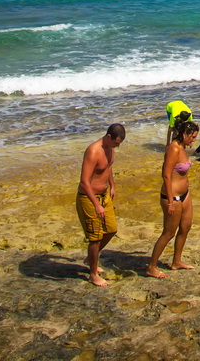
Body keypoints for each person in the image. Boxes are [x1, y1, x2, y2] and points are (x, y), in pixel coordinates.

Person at [146, 114, 198, 278]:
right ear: (185, 135)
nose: (194, 141)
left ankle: (177, 261)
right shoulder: (173, 149)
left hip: (185, 195)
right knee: (168, 233)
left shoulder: (182, 148)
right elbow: (166, 175)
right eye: (193, 137)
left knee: (185, 227)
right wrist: (170, 201)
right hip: (172, 197)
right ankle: (152, 266)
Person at [77, 123, 125, 286]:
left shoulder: (110, 148)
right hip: (89, 197)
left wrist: (112, 185)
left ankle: (91, 259)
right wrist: (96, 204)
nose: (117, 147)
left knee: (111, 229)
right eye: (116, 143)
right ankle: (92, 273)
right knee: (95, 238)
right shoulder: (93, 151)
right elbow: (84, 181)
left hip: (104, 195)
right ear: (109, 137)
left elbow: (108, 167)